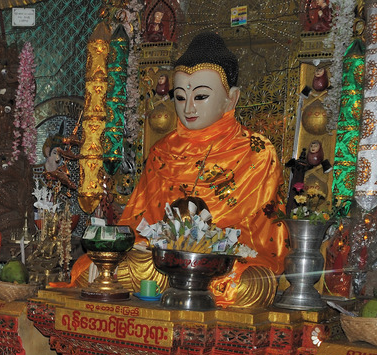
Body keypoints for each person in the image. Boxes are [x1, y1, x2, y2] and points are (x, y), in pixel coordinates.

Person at [86, 32, 287, 307]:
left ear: (231, 99)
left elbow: (259, 234)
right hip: (162, 265)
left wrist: (207, 249)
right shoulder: (162, 150)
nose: (188, 108)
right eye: (180, 98)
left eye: (201, 96)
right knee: (106, 267)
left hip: (220, 266)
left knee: (250, 285)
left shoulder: (257, 152)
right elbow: (138, 223)